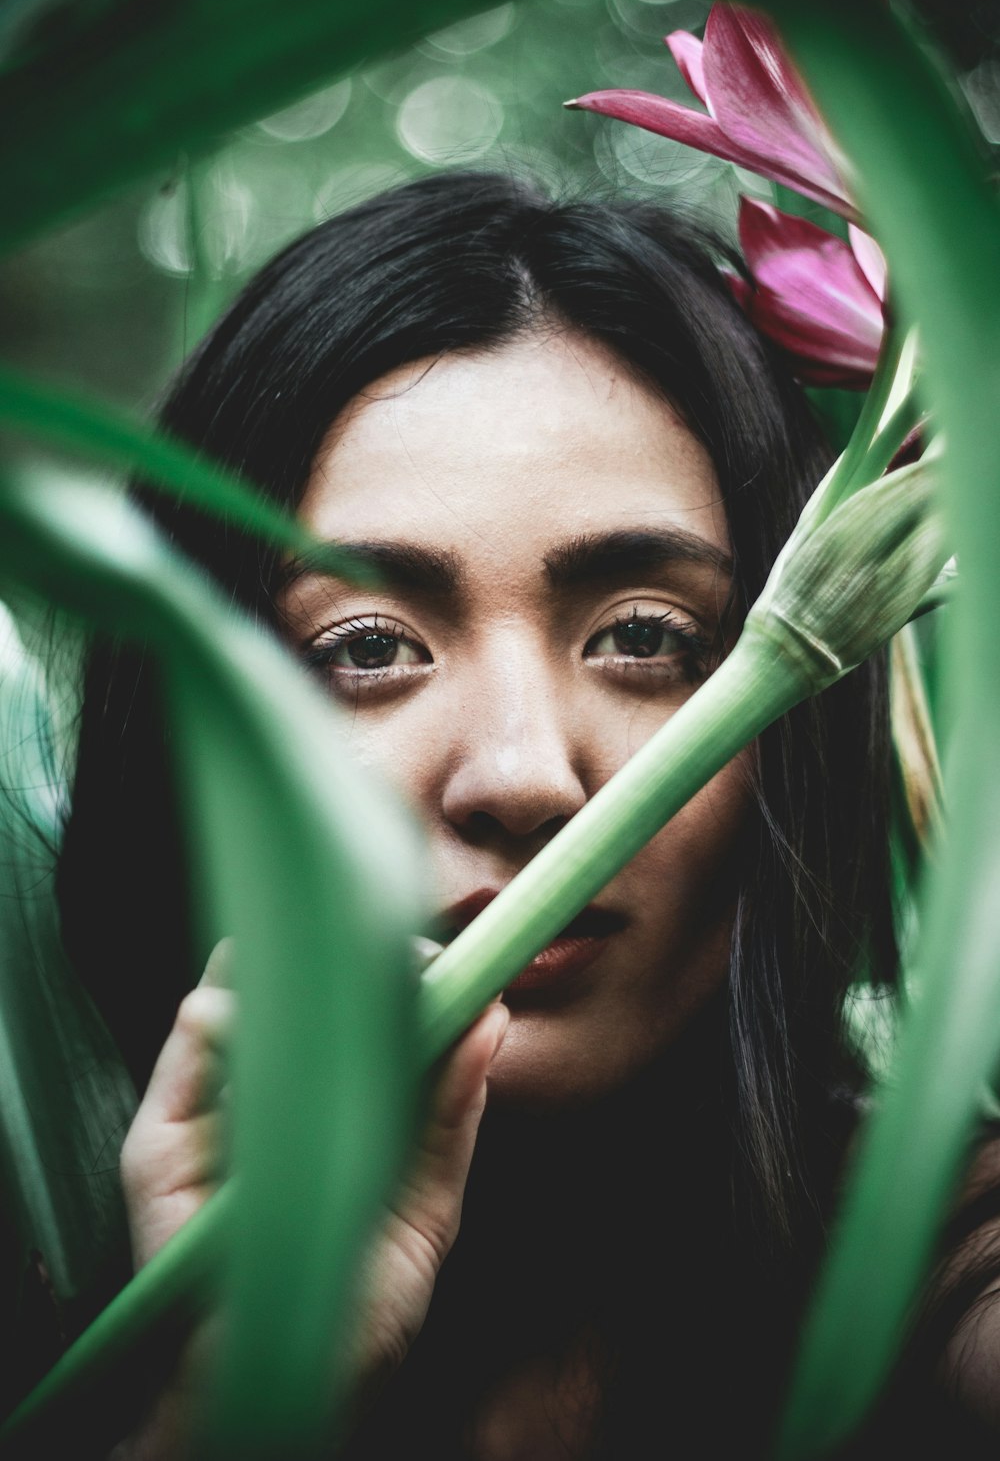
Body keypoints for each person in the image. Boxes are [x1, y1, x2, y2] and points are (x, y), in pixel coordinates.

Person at [53, 171, 996, 1457]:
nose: (523, 776)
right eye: (368, 650)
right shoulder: (39, 1268)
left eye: (647, 638)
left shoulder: (953, 1274)